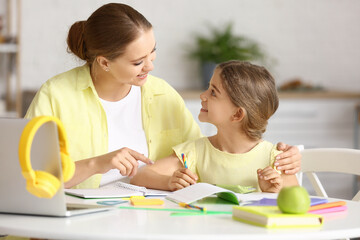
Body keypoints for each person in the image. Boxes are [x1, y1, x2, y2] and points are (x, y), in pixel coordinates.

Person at [25, 3, 301, 190]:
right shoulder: (57, 95)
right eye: (137, 62)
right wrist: (98, 164)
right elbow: (29, 180)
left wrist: (281, 159)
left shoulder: (162, 94)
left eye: (153, 52)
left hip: (153, 222)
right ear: (104, 62)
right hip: (75, 225)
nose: (151, 66)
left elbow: (206, 155)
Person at [131, 61, 299, 192]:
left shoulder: (276, 160)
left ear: (237, 115)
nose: (202, 95)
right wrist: (168, 181)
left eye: (213, 92)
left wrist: (271, 192)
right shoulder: (194, 152)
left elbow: (295, 203)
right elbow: (140, 175)